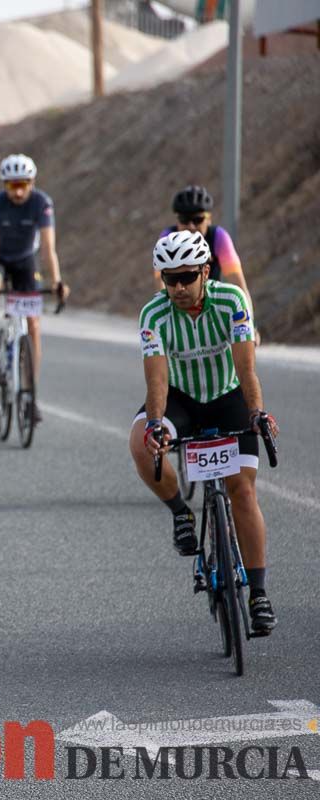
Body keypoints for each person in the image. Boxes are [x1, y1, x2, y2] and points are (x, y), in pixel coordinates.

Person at [130, 230, 280, 634]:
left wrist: (256, 413)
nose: (177, 287)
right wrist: (158, 424)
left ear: (205, 271)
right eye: (169, 279)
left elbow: (247, 369)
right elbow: (157, 379)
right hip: (179, 398)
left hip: (228, 393)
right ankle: (180, 511)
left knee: (242, 491)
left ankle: (259, 593)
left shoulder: (232, 302)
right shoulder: (153, 314)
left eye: (186, 277)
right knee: (140, 441)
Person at [0, 154, 69, 422]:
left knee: (34, 327)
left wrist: (57, 282)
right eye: (11, 186)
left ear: (32, 183)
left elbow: (49, 248)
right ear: (4, 186)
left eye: (23, 185)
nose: (17, 191)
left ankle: (29, 393)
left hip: (25, 260)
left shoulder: (42, 203)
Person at [155, 184, 259, 344]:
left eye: (198, 219)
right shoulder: (167, 239)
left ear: (209, 219)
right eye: (184, 220)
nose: (191, 226)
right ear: (177, 220)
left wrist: (250, 325)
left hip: (214, 305)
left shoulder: (219, 237)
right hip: (180, 308)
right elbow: (160, 284)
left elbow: (239, 284)